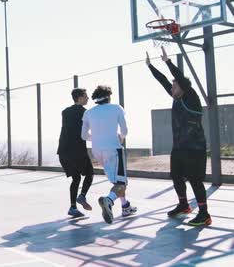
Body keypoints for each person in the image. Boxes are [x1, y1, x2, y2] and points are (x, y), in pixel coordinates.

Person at [146, 47, 211, 226]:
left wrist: (168, 62)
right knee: (176, 176)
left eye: (175, 86)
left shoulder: (191, 97)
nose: (171, 88)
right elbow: (163, 81)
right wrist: (150, 66)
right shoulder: (177, 97)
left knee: (195, 180)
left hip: (195, 148)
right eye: (172, 87)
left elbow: (178, 78)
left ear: (183, 87)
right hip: (180, 148)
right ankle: (183, 205)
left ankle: (204, 214)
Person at [82, 85, 137, 224]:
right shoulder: (116, 108)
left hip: (97, 150)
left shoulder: (88, 113)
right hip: (113, 148)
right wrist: (121, 137)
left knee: (117, 180)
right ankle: (109, 200)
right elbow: (124, 130)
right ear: (109, 96)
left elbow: (83, 136)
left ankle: (125, 206)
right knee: (121, 182)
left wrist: (96, 138)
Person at [57, 88, 94, 218]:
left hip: (63, 151)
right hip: (77, 150)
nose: (88, 98)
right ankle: (82, 196)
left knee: (76, 178)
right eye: (86, 96)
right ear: (79, 98)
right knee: (90, 173)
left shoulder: (65, 112)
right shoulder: (86, 113)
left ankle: (73, 207)